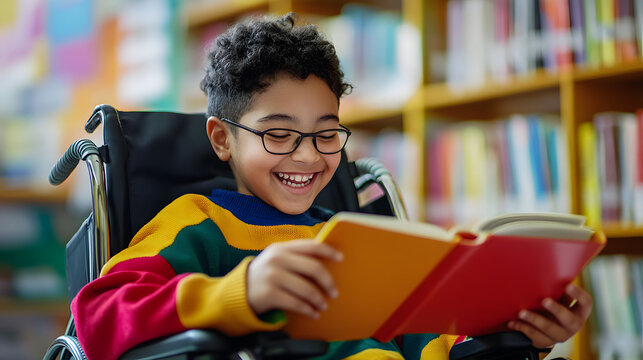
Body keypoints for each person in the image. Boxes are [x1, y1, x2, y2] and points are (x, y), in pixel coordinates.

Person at [71, 13, 593, 360]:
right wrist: (242, 293)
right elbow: (95, 317)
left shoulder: (354, 237)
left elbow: (425, 345)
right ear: (222, 140)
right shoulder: (194, 224)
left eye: (326, 134)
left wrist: (520, 336)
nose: (308, 155)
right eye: (278, 134)